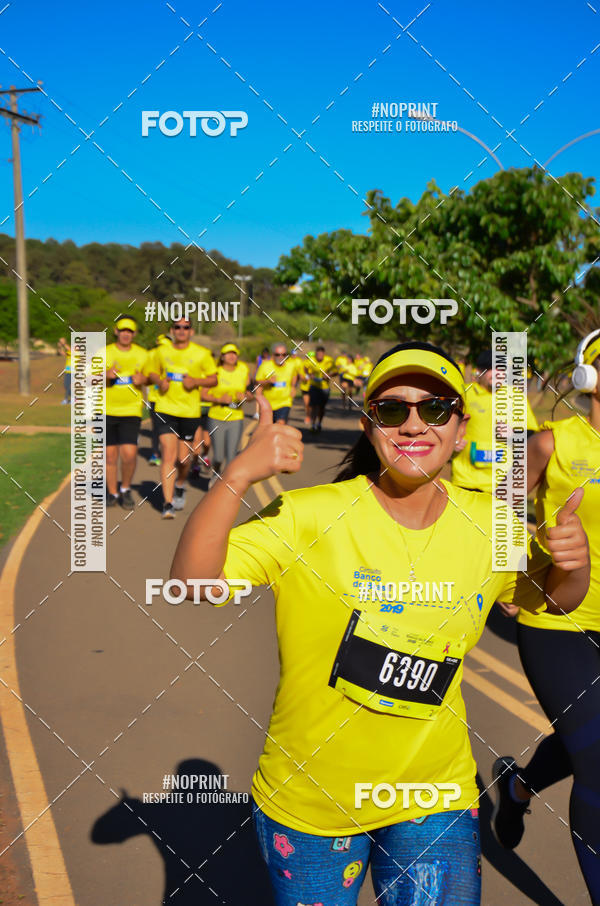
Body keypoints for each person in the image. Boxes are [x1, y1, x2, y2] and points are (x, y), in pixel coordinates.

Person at [170, 341, 589, 906]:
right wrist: (239, 474)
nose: (414, 423)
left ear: (461, 430)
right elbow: (193, 585)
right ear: (370, 427)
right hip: (313, 801)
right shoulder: (310, 514)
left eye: (435, 408)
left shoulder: (492, 525)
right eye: (393, 410)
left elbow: (551, 603)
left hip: (433, 795)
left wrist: (573, 565)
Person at [491, 329, 600, 905]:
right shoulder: (552, 442)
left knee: (589, 738)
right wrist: (509, 569)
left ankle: (517, 784)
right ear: (591, 377)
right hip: (560, 621)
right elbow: (506, 500)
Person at [146, 318, 217, 519]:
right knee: (168, 455)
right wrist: (160, 381)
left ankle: (179, 484)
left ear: (191, 331)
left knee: (183, 460)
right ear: (172, 330)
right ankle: (167, 504)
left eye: (185, 327)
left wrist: (196, 381)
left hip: (189, 412)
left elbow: (214, 378)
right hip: (165, 408)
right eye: (177, 327)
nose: (181, 330)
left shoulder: (201, 354)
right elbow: (151, 372)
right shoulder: (161, 351)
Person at [451, 349, 539, 493]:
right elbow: (443, 426)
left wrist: (513, 435)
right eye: (491, 368)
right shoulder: (463, 394)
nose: (497, 373)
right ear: (479, 371)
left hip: (501, 482)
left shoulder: (516, 397)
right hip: (465, 480)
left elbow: (534, 436)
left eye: (501, 368)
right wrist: (452, 442)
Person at [104, 317, 148, 509]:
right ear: (116, 331)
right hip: (105, 410)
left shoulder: (142, 354)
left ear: (134, 334)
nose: (126, 334)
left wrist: (143, 378)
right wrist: (103, 375)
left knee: (129, 454)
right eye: (122, 330)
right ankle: (112, 493)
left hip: (131, 411)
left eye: (129, 331)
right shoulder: (105, 353)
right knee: (110, 456)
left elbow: (153, 376)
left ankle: (126, 489)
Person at [202, 343, 251, 479]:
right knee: (218, 457)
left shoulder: (243, 369)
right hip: (216, 417)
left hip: (236, 418)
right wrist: (219, 399)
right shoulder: (216, 372)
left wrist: (246, 397)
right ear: (222, 356)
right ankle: (215, 473)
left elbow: (250, 394)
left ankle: (223, 486)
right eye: (228, 353)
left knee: (231, 457)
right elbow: (203, 394)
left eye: (234, 353)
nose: (231, 356)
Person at [254, 342, 297, 424]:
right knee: (269, 428)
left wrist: (293, 387)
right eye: (278, 354)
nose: (281, 357)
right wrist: (268, 381)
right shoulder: (265, 366)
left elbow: (294, 375)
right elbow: (257, 381)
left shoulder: (291, 366)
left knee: (280, 424)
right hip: (268, 404)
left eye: (283, 354)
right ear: (273, 355)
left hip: (284, 402)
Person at [146, 334, 172, 466]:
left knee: (156, 428)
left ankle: (155, 454)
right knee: (171, 428)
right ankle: (169, 456)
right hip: (169, 399)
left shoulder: (151, 354)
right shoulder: (175, 354)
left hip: (156, 398)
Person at [304, 345, 336, 432]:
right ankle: (313, 424)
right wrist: (309, 374)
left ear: (324, 354)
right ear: (316, 354)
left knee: (321, 407)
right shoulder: (311, 360)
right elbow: (305, 367)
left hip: (324, 387)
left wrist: (329, 375)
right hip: (314, 386)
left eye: (321, 354)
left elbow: (336, 371)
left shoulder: (329, 360)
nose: (319, 356)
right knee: (314, 406)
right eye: (318, 354)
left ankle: (319, 423)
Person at [58, 337, 72, 404]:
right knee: (66, 385)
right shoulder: (70, 354)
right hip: (67, 371)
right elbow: (62, 353)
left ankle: (66, 400)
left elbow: (69, 348)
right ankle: (73, 398)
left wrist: (64, 343)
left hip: (73, 372)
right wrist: (60, 346)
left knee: (69, 386)